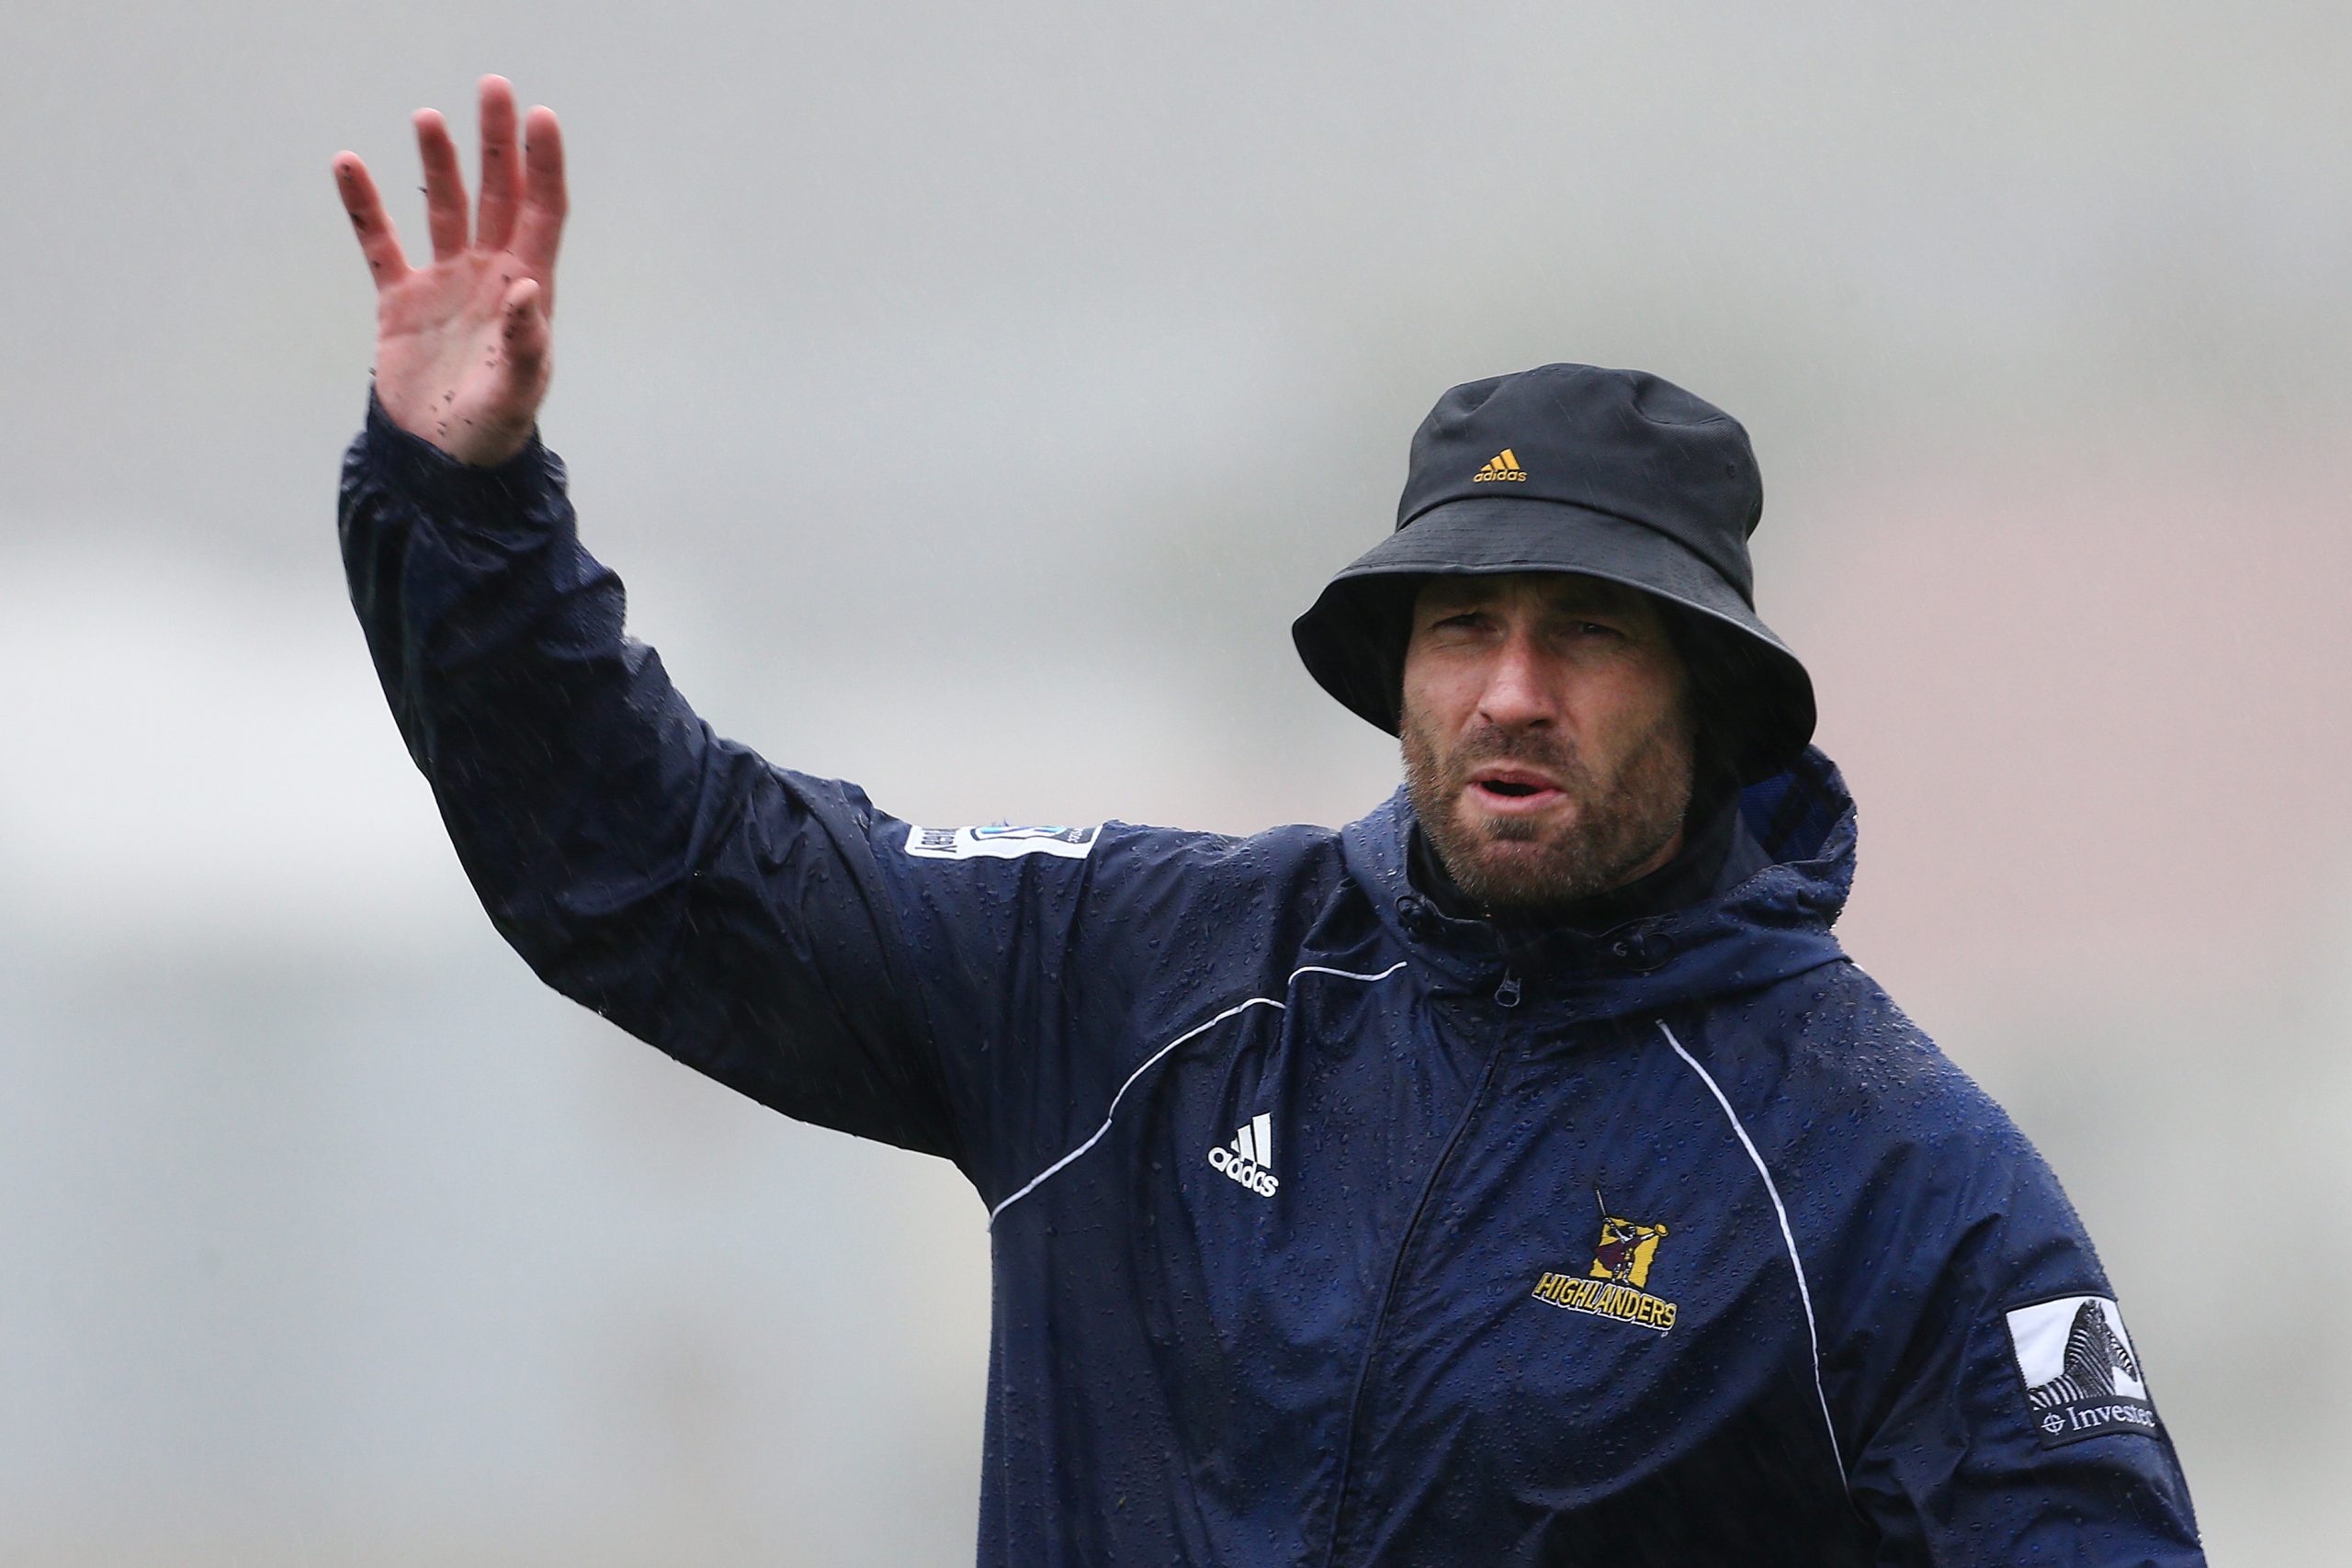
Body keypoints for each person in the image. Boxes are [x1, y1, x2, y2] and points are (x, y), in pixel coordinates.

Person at [332, 77, 2205, 1567]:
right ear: (1392, 671)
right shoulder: (1134, 977)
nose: (1509, 686)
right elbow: (660, 867)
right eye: (1461, 623)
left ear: (1707, 696)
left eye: (1590, 632)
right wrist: (470, 505)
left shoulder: (1892, 1175)